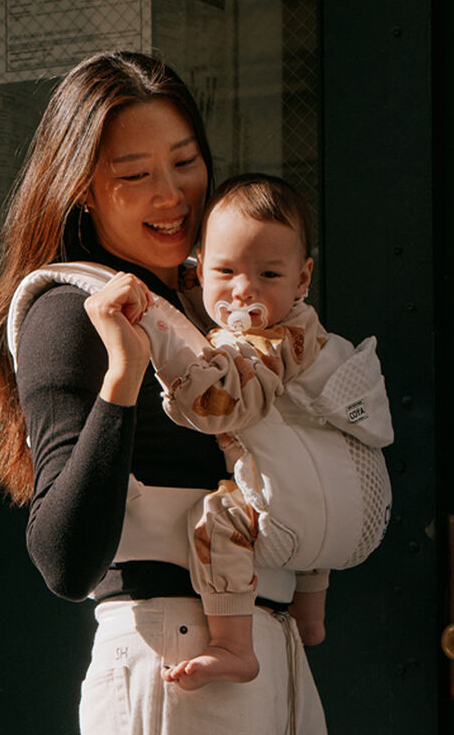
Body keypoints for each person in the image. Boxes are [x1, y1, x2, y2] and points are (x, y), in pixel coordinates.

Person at [0, 51, 325, 733]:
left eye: (186, 162)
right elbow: (63, 559)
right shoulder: (73, 309)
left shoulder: (213, 300)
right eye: (135, 175)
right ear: (82, 189)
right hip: (174, 665)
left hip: (266, 663)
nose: (173, 194)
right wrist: (122, 379)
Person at [139, 174, 394, 689]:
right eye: (225, 271)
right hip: (357, 516)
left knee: (217, 519)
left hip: (296, 519)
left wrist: (161, 338)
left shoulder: (271, 342)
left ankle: (233, 646)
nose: (243, 291)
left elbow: (223, 408)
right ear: (198, 270)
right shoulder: (318, 335)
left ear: (303, 281)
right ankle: (310, 616)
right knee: (305, 460)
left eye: (268, 274)